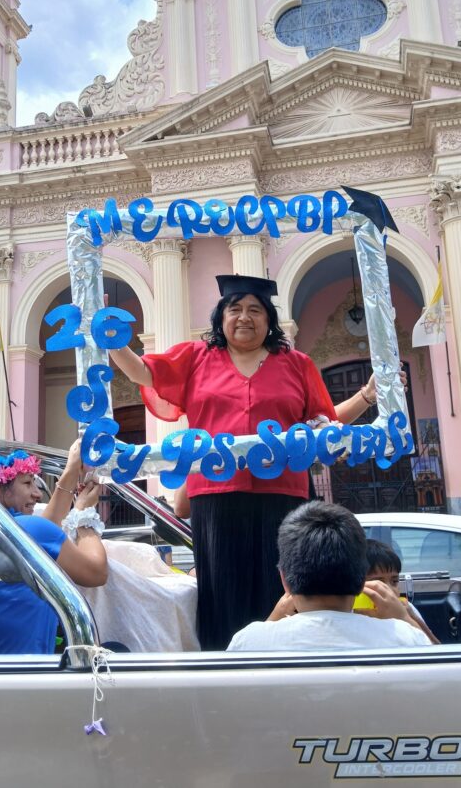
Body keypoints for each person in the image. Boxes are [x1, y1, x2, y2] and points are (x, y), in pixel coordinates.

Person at [109, 274, 392, 650]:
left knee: (286, 586)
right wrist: (112, 340)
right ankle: (225, 665)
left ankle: (290, 664)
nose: (244, 317)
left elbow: (324, 424)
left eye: (255, 310)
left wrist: (365, 399)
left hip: (284, 494)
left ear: (269, 320)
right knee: (223, 589)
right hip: (217, 494)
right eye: (235, 309)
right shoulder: (196, 358)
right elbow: (143, 372)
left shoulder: (296, 364)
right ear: (221, 317)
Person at [0, 442, 108, 655]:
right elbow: (96, 572)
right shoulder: (29, 531)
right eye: (27, 483)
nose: (38, 494)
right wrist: (83, 515)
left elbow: (41, 536)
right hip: (19, 674)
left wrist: (71, 473)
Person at [227, 501, 430, 651]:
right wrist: (404, 619)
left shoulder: (248, 643)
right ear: (362, 579)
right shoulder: (406, 638)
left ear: (284, 580)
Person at [362, 538, 439, 644]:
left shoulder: (407, 608)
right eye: (378, 583)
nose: (390, 590)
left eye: (394, 581)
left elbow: (435, 647)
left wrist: (410, 617)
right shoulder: (354, 615)